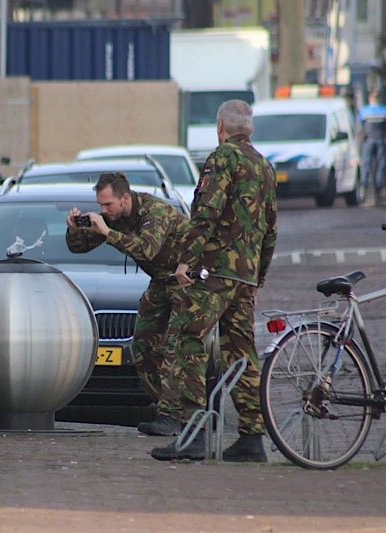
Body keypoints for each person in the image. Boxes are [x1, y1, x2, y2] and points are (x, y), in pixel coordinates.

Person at [150, 99, 277, 463]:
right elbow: (271, 227)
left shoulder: (222, 159)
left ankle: (195, 433)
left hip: (215, 272)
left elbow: (205, 215)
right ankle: (252, 439)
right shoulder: (265, 166)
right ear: (248, 129)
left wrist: (185, 261)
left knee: (189, 340)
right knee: (242, 352)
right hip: (244, 276)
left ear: (221, 127)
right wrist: (259, 273)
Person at [66, 172, 187, 437]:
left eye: (108, 204)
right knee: (142, 346)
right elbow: (79, 248)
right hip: (160, 282)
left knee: (173, 348)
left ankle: (172, 416)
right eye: (100, 206)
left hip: (186, 280)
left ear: (125, 197)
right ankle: (167, 409)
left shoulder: (154, 211)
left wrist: (108, 232)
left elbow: (147, 249)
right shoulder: (115, 218)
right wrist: (75, 231)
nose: (104, 210)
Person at [358, 90, 386, 203]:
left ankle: (363, 189)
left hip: (368, 141)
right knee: (381, 165)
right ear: (379, 99)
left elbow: (359, 126)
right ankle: (379, 191)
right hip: (381, 141)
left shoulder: (364, 111)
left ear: (370, 99)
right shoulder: (385, 110)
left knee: (366, 165)